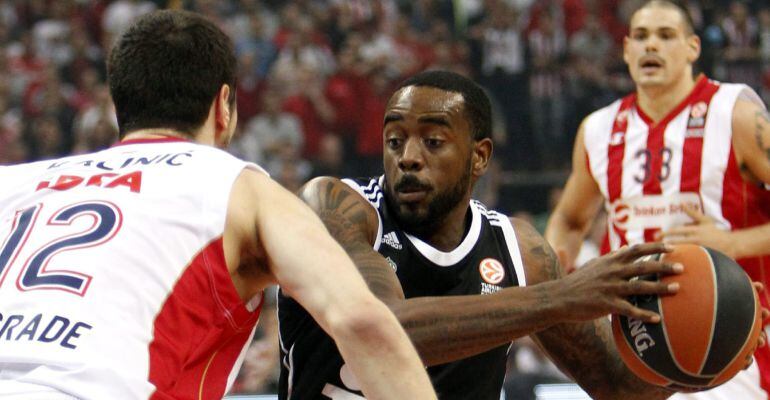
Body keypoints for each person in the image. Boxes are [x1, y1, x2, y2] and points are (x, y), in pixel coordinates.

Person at [0, 10, 436, 400]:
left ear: (120, 109)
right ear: (223, 106)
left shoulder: (13, 182)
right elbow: (362, 322)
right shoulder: (240, 188)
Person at [277, 69, 693, 400]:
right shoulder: (335, 207)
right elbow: (385, 330)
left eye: (433, 141)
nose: (408, 158)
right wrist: (561, 297)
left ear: (480, 157)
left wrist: (701, 359)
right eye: (394, 140)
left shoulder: (520, 252)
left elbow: (617, 386)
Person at [545, 1, 770, 399]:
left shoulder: (735, 113)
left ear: (692, 48)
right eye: (642, 37)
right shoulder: (598, 129)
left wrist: (732, 244)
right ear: (627, 50)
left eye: (666, 36)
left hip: (726, 330)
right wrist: (560, 277)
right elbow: (571, 221)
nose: (652, 46)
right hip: (633, 339)